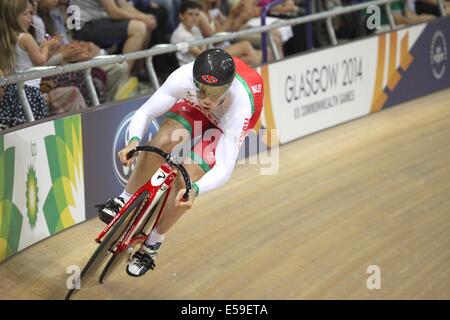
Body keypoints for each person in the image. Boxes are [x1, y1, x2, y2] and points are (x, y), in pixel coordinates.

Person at [96, 48, 264, 277]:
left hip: (226, 121)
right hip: (193, 109)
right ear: (194, 80)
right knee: (162, 140)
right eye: (202, 90)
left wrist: (195, 189)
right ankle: (124, 199)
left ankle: (153, 242)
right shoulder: (183, 77)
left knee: (187, 177)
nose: (207, 99)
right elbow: (146, 112)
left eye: (215, 93)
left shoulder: (240, 105)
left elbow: (224, 168)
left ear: (228, 88)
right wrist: (133, 141)